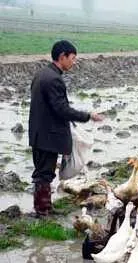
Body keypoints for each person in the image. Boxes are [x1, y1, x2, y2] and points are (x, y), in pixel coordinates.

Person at [28, 40, 104, 217]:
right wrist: (87, 116)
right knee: (44, 173)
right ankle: (42, 211)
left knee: (43, 172)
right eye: (72, 58)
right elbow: (61, 109)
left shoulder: (42, 74)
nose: (74, 62)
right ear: (62, 57)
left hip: (40, 132)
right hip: (48, 135)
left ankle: (45, 207)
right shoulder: (54, 79)